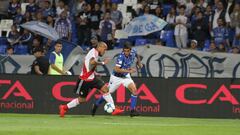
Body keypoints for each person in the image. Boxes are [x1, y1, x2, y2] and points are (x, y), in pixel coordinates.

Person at [59, 41, 123, 117]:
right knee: (82, 99)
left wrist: (94, 72)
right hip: (84, 80)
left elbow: (87, 64)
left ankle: (114, 109)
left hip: (92, 78)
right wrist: (103, 63)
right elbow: (92, 62)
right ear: (100, 47)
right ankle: (64, 107)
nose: (104, 51)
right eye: (104, 49)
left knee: (105, 89)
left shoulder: (94, 52)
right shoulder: (94, 52)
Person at [92, 42, 143, 117]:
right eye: (124, 51)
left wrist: (139, 63)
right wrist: (129, 71)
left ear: (130, 50)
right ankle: (96, 105)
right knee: (107, 93)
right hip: (116, 77)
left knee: (134, 90)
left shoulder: (133, 52)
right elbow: (116, 69)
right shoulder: (121, 57)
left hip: (126, 77)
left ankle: (132, 111)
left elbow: (137, 55)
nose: (126, 52)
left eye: (127, 51)